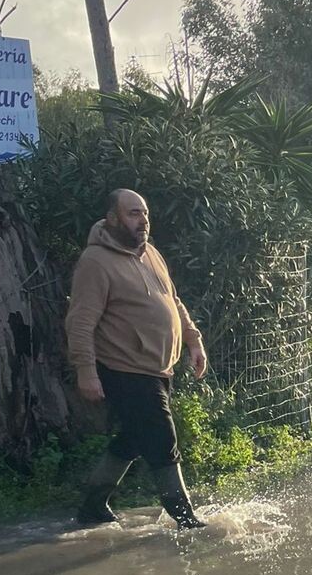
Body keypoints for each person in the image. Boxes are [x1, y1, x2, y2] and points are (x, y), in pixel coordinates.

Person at [66, 188, 208, 529]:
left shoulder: (151, 254)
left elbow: (173, 301)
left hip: (159, 367)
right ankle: (186, 519)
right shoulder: (95, 262)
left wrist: (194, 341)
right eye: (133, 213)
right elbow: (81, 321)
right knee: (161, 437)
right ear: (112, 218)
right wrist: (86, 371)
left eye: (144, 213)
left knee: (133, 437)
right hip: (123, 367)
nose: (142, 220)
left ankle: (92, 506)